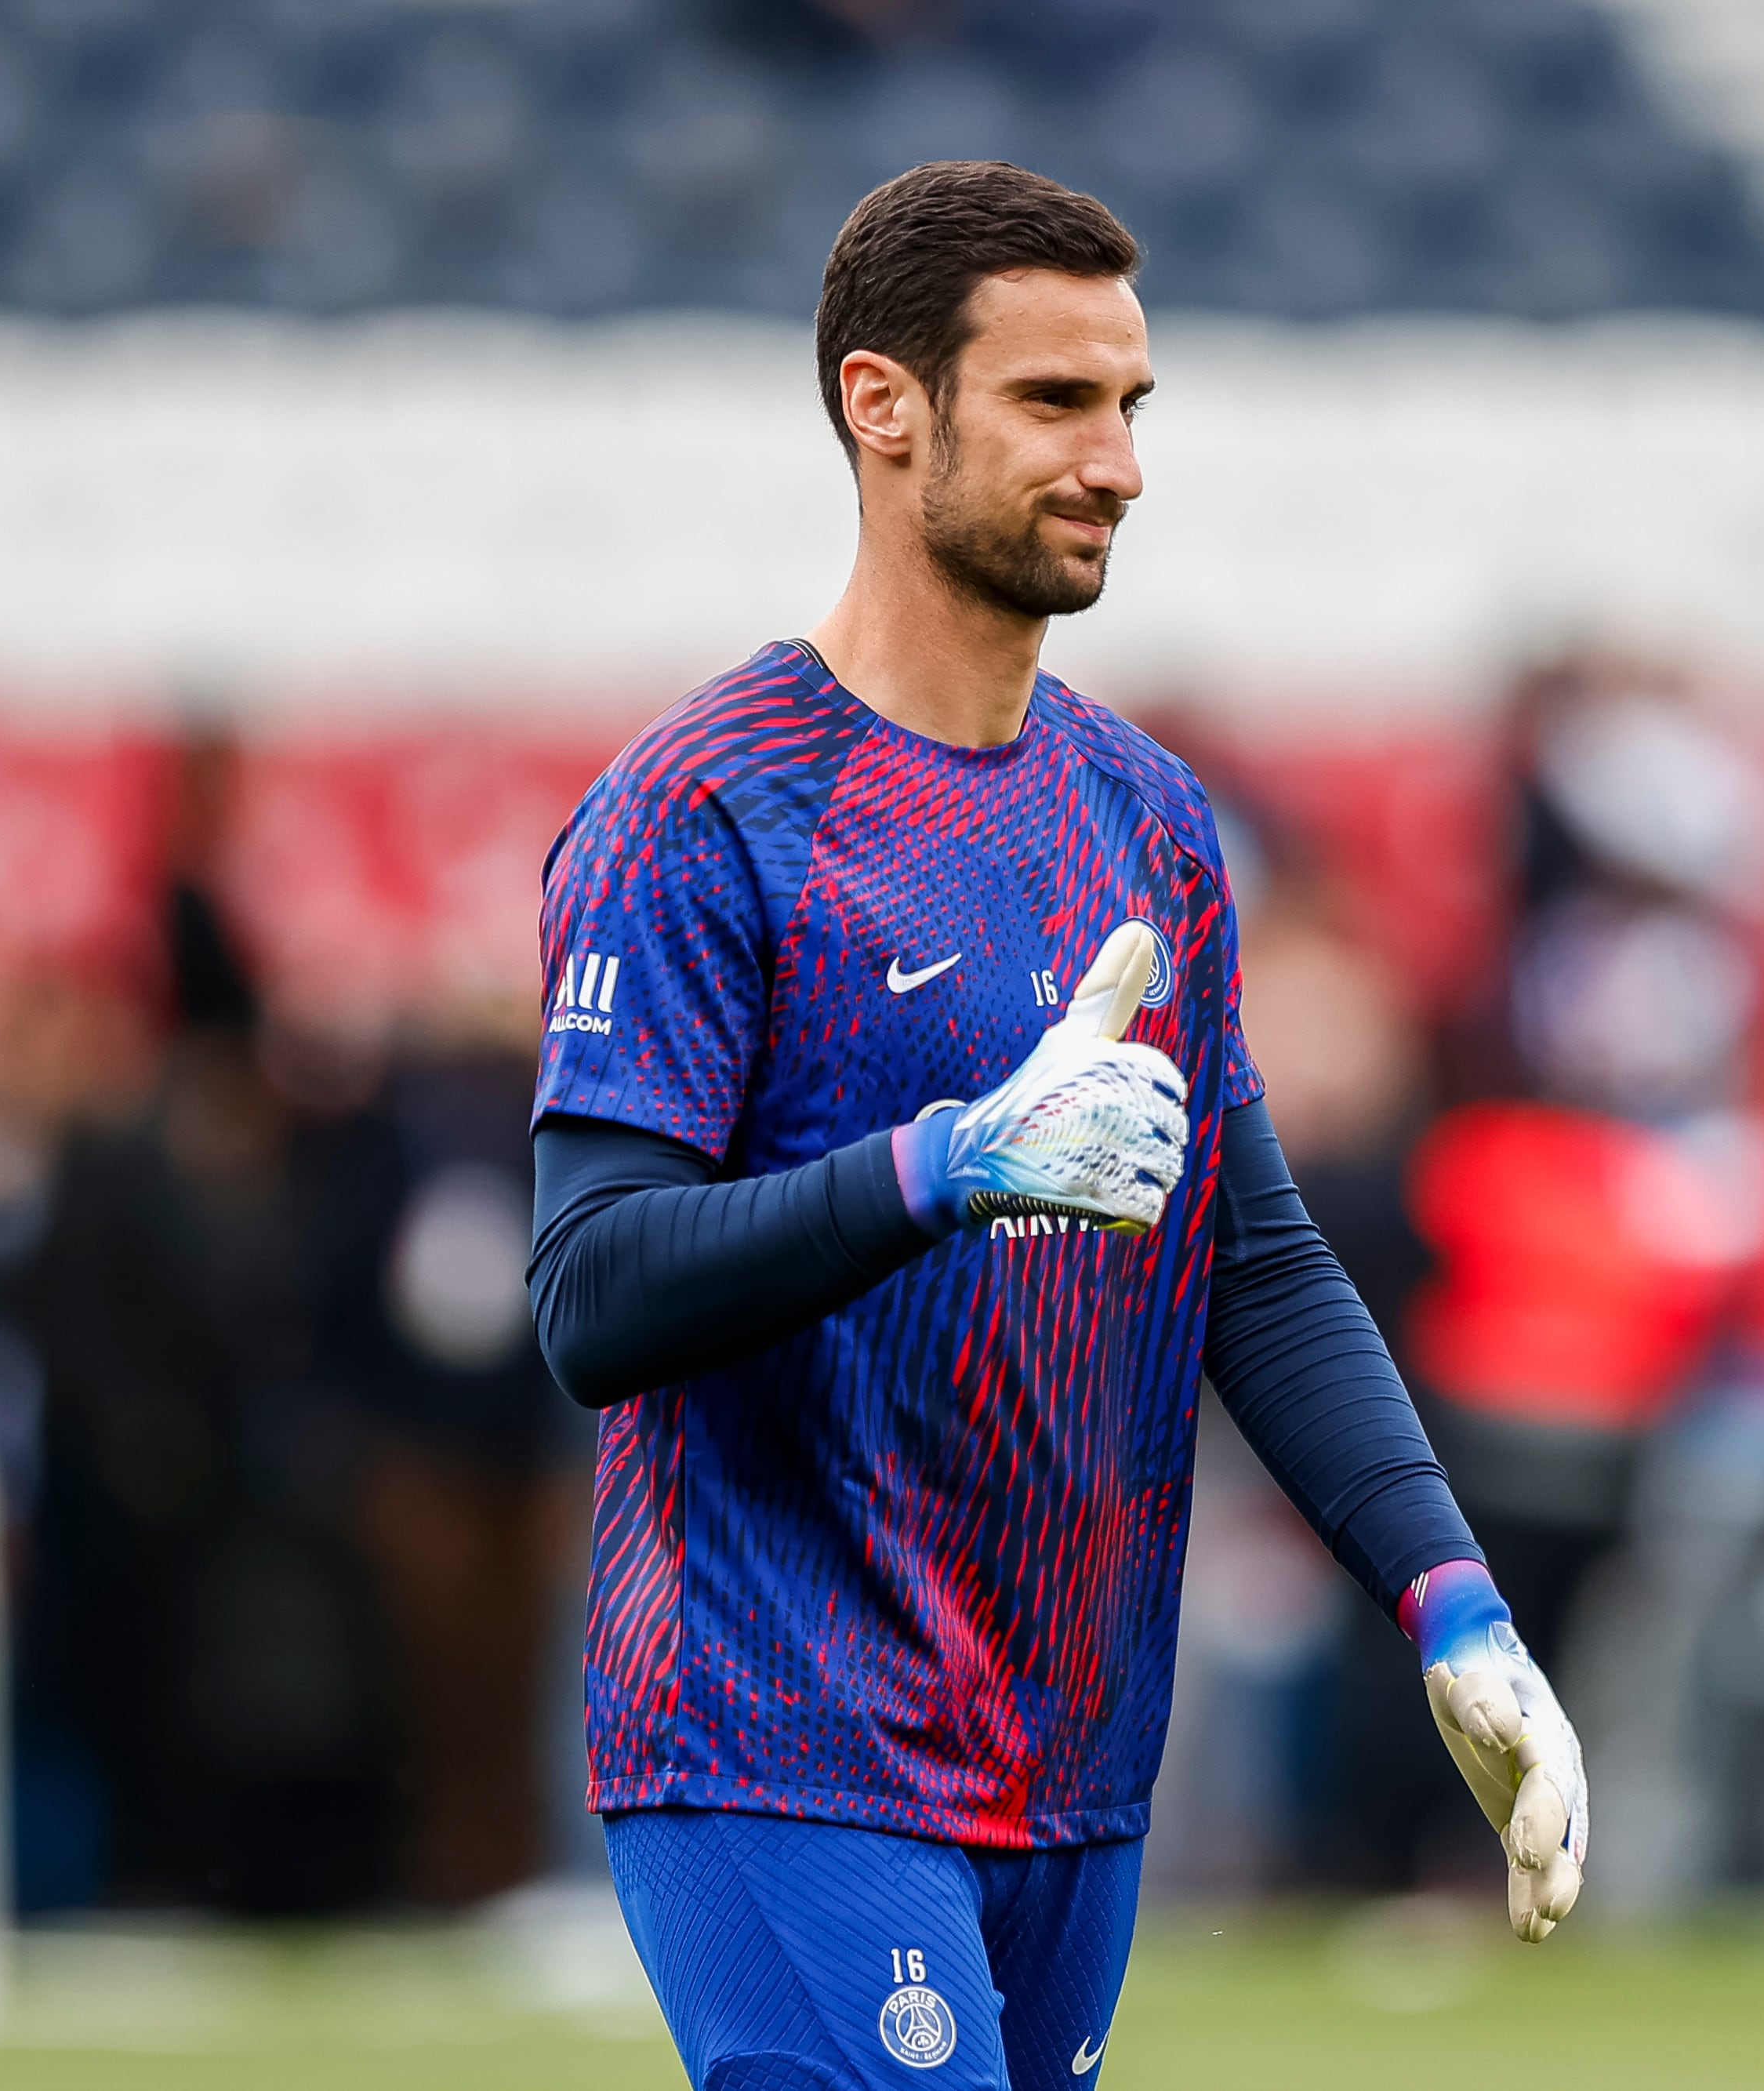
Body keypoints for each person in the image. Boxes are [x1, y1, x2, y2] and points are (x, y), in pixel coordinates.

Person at [522, 162, 1586, 2091]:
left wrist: (1451, 1598)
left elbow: (1246, 1258)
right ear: (884, 406)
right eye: (1054, 401)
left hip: (1066, 1745)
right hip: (776, 1729)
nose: (1117, 460)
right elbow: (590, 1292)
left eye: (1132, 404)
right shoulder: (703, 809)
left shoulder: (1148, 819)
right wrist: (948, 1162)